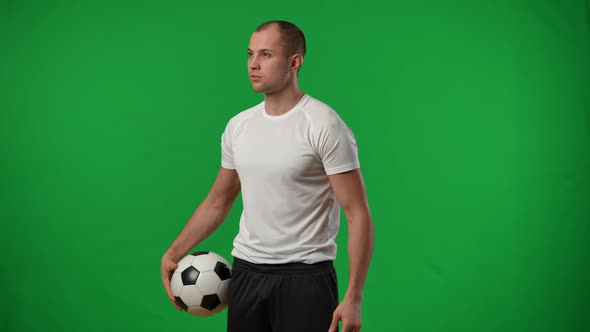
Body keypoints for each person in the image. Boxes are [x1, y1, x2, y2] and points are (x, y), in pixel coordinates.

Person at [161, 20, 374, 332]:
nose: (253, 64)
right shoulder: (239, 126)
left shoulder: (323, 125)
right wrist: (174, 252)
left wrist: (354, 297)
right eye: (249, 54)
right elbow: (218, 202)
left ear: (294, 62)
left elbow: (357, 214)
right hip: (246, 274)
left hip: (306, 279)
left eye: (265, 55)